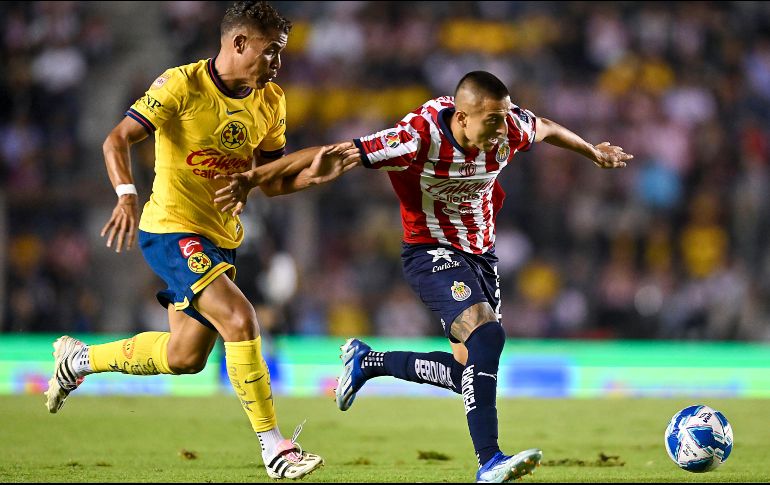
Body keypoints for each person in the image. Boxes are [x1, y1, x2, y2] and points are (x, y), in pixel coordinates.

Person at [214, 71, 632, 483]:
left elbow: (544, 127)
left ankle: (369, 362)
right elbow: (337, 151)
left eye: (505, 118)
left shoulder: (509, 128)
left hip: (480, 257)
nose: (503, 128)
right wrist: (252, 179)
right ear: (462, 118)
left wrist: (592, 152)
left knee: (466, 372)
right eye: (492, 120)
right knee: (488, 337)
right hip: (430, 252)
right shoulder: (416, 137)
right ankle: (490, 461)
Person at [44, 1, 353, 480]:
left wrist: (314, 176)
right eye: (271, 52)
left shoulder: (271, 101)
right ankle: (275, 449)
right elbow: (117, 139)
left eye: (281, 54)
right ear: (239, 43)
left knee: (183, 357)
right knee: (241, 317)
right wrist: (126, 195)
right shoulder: (181, 85)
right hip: (171, 228)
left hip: (221, 238)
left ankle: (78, 359)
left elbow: (269, 182)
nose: (277, 64)